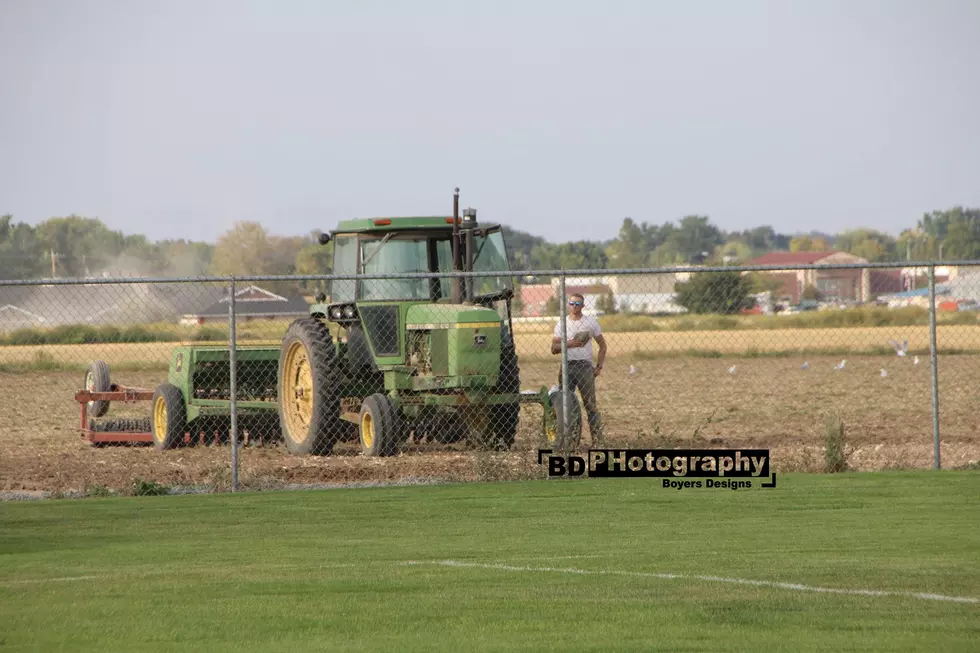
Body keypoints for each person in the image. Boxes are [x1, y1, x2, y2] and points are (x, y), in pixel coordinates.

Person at [551, 293, 606, 445]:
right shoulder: (562, 324)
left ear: (583, 306)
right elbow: (553, 348)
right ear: (568, 305)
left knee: (590, 405)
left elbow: (602, 345)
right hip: (567, 366)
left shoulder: (591, 323)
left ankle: (597, 441)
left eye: (578, 304)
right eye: (572, 303)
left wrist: (599, 366)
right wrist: (570, 344)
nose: (574, 306)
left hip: (585, 367)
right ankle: (566, 439)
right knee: (564, 403)